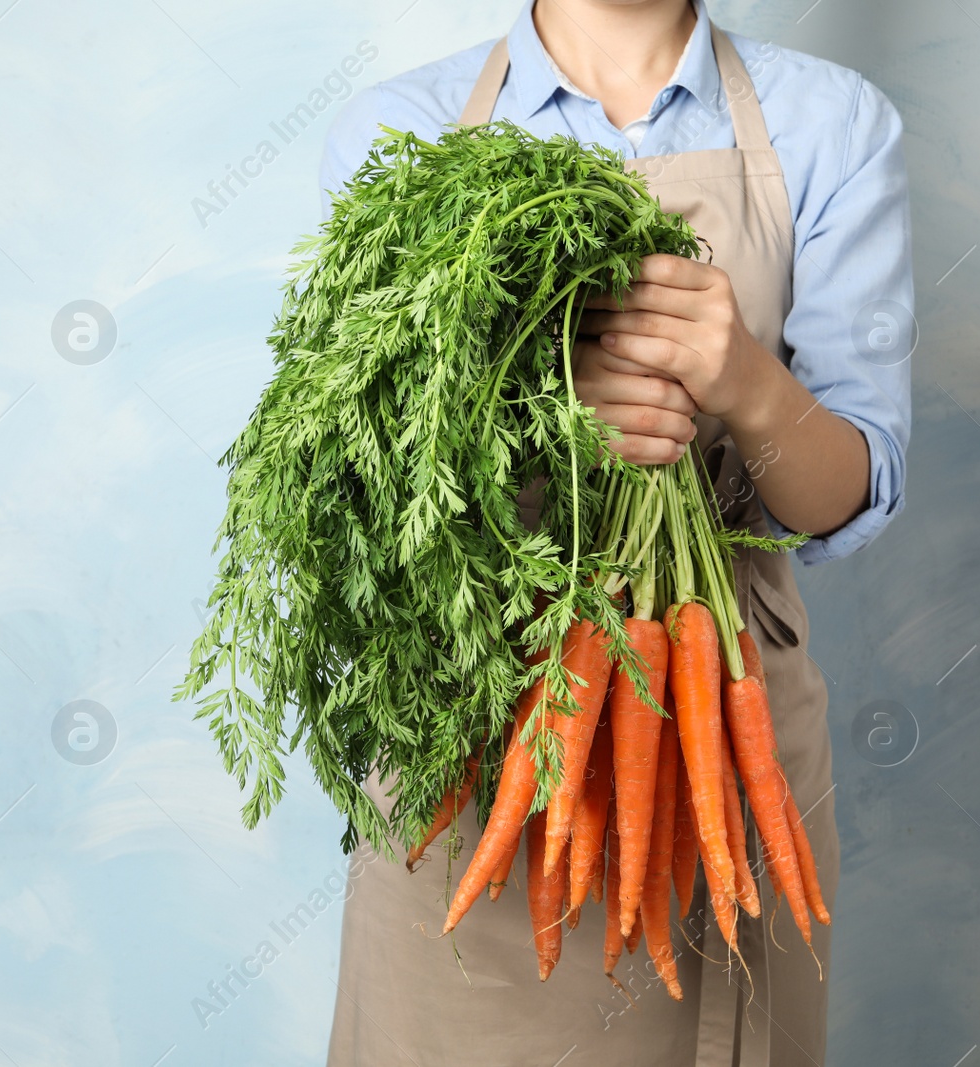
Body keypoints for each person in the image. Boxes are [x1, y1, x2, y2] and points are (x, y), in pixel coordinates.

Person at [317, 1, 911, 1063]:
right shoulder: (395, 129)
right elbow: (352, 490)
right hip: (467, 727)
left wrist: (747, 385)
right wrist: (540, 412)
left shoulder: (829, 122)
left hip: (725, 732)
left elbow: (841, 497)